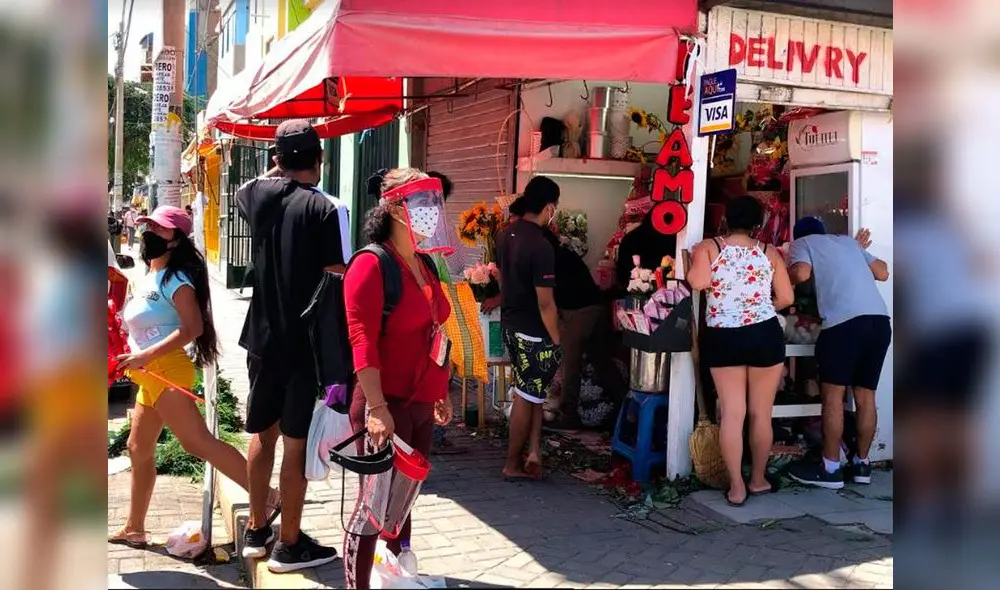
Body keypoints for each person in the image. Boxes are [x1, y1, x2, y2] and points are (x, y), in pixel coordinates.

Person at [108, 206, 279, 547]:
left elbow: (193, 328)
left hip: (166, 369)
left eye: (160, 229)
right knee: (138, 447)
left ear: (177, 240)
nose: (149, 233)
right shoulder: (151, 275)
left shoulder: (177, 279)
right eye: (148, 226)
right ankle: (135, 528)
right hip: (149, 376)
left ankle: (270, 496)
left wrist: (144, 355)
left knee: (197, 442)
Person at [236, 120, 345, 572]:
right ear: (319, 159)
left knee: (263, 435)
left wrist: (278, 166)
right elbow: (336, 278)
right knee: (295, 444)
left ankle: (256, 528)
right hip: (304, 345)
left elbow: (250, 185)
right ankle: (290, 544)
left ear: (277, 160)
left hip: (261, 339)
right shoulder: (325, 209)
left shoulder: (257, 198)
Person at [342, 168, 454, 589]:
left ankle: (396, 567)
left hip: (420, 401)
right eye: (422, 202)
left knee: (404, 498)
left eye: (434, 202)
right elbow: (362, 341)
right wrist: (376, 408)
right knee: (372, 507)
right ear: (394, 208)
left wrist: (441, 390)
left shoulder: (424, 263)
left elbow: (436, 329)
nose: (431, 211)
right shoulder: (371, 264)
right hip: (384, 403)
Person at [687, 196, 794, 506]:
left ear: (725, 219)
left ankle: (736, 487)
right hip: (764, 333)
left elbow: (698, 282)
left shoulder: (709, 247)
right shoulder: (769, 252)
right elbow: (786, 298)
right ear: (758, 224)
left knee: (733, 414)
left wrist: (694, 261)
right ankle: (758, 479)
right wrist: (759, 307)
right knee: (762, 414)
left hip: (724, 336)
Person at [785, 217, 892, 489]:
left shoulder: (802, 243)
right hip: (879, 322)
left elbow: (802, 274)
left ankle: (830, 467)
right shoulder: (849, 244)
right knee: (866, 396)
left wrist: (779, 276)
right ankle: (862, 464)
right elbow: (883, 273)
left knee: (833, 397)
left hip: (844, 326)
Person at [495, 176, 563, 480]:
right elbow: (546, 303)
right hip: (534, 330)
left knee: (533, 391)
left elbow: (503, 279)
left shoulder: (505, 234)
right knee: (526, 395)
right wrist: (557, 338)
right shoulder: (540, 245)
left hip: (511, 323)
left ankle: (534, 453)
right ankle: (512, 463)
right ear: (549, 207)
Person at [540, 226, 626, 430]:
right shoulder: (564, 255)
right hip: (594, 307)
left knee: (571, 363)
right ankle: (624, 406)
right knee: (600, 360)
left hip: (578, 311)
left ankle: (569, 414)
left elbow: (547, 298)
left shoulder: (551, 261)